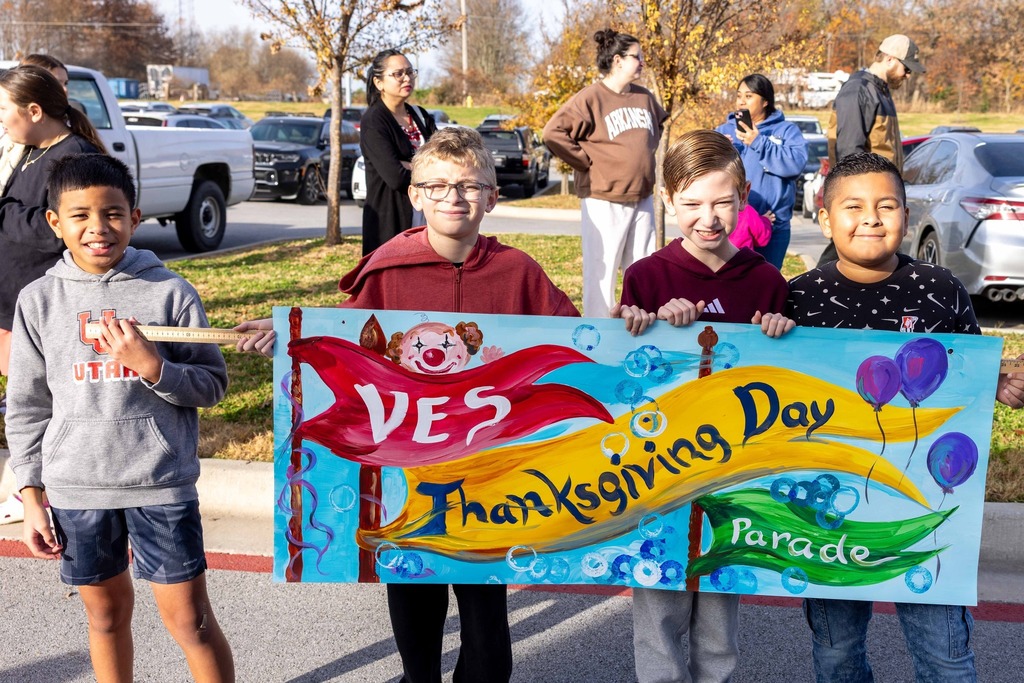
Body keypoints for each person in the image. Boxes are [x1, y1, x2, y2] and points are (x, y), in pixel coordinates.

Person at [236, 126, 579, 683]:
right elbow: (345, 336)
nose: (453, 197)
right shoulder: (388, 268)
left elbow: (575, 338)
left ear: (492, 197)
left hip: (489, 473)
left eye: (469, 186)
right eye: (437, 185)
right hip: (409, 465)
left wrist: (638, 324)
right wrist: (287, 331)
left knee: (489, 636)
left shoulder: (519, 273)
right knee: (416, 604)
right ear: (415, 194)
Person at [789, 152, 1024, 682]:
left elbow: (966, 377)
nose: (870, 218)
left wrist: (1000, 384)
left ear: (907, 214)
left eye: (886, 205)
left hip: (929, 512)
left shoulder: (941, 290)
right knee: (836, 654)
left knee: (945, 656)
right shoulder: (797, 300)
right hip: (830, 511)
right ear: (825, 217)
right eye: (853, 206)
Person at [5, 153, 234, 682]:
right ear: (55, 222)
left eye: (111, 213)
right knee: (104, 618)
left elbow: (212, 384)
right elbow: (27, 407)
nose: (97, 227)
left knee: (191, 622)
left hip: (161, 484)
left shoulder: (169, 291)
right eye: (80, 215)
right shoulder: (38, 300)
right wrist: (32, 495)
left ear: (134, 216)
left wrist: (154, 368)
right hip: (77, 489)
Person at [613, 129, 793, 683]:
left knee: (718, 622)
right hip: (659, 468)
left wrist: (782, 330)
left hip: (735, 471)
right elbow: (623, 374)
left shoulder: (765, 280)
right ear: (668, 201)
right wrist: (639, 325)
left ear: (743, 197)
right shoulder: (647, 277)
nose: (708, 217)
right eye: (691, 204)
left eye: (721, 201)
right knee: (658, 614)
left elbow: (787, 378)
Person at [0, 63, 107, 525]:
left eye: (4, 108)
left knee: (41, 402)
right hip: (11, 301)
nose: (1, 118)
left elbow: (58, 231)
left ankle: (40, 493)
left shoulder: (72, 156)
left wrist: (2, 212)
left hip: (42, 305)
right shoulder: (28, 149)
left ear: (34, 110)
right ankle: (27, 487)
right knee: (21, 400)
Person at [543, 28, 667, 318]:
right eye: (637, 57)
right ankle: (599, 330)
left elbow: (655, 131)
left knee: (644, 266)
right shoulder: (590, 98)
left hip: (642, 196)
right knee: (602, 269)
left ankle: (642, 323)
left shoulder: (645, 97)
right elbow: (552, 133)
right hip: (603, 197)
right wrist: (585, 162)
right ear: (618, 60)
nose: (642, 62)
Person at [817, 34, 925, 266]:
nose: (908, 75)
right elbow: (849, 150)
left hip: (880, 192)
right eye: (906, 68)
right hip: (861, 193)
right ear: (889, 59)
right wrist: (858, 199)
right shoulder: (858, 89)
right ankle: (810, 296)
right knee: (841, 253)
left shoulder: (880, 91)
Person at [715, 73, 807, 269]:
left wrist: (758, 142)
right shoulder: (724, 131)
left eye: (748, 96)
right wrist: (718, 148)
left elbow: (796, 164)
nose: (741, 102)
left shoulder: (786, 131)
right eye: (739, 96)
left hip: (772, 226)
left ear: (765, 101)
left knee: (767, 286)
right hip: (733, 226)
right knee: (731, 284)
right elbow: (705, 171)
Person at [359, 48, 437, 256]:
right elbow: (395, 177)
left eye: (410, 72)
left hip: (426, 217)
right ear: (379, 83)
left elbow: (443, 162)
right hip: (390, 220)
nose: (407, 78)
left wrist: (409, 165)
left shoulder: (420, 115)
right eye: (398, 74)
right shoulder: (374, 121)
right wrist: (427, 171)